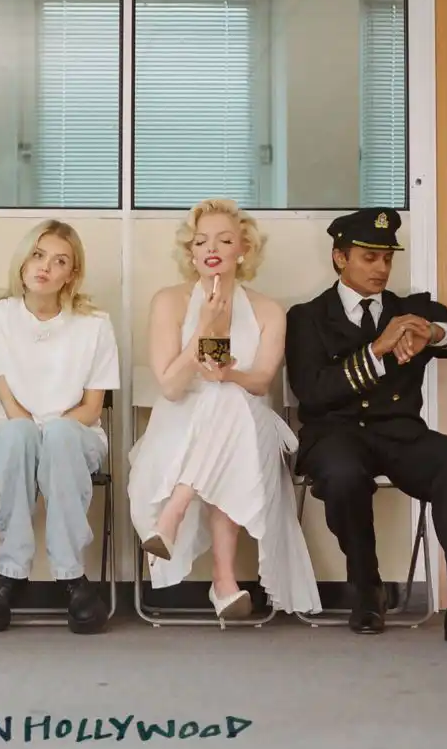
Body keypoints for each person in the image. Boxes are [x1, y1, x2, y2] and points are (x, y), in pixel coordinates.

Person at [285, 207, 447, 650]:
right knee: (344, 473)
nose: (382, 268)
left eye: (387, 258)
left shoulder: (412, 311)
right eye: (369, 257)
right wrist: (376, 350)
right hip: (334, 435)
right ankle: (366, 588)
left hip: (399, 434)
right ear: (340, 258)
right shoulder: (307, 317)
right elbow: (311, 391)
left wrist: (436, 333)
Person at [128, 198, 321, 620]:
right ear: (191, 252)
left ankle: (173, 513)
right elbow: (171, 387)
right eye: (201, 241)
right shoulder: (169, 301)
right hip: (182, 421)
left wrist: (229, 374)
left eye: (225, 240)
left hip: (250, 421)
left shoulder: (268, 310)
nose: (211, 249)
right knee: (224, 411)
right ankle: (224, 581)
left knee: (229, 398)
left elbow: (262, 381)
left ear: (244, 250)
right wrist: (202, 327)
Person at [0, 220, 120, 635]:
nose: (45, 267)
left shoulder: (95, 325)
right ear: (23, 260)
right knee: (21, 434)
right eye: (38, 255)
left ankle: (71, 575)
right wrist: (36, 431)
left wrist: (51, 431)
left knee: (60, 435)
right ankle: (11, 572)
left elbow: (91, 408)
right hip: (13, 432)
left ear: (71, 274)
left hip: (76, 436)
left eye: (60, 261)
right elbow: (9, 405)